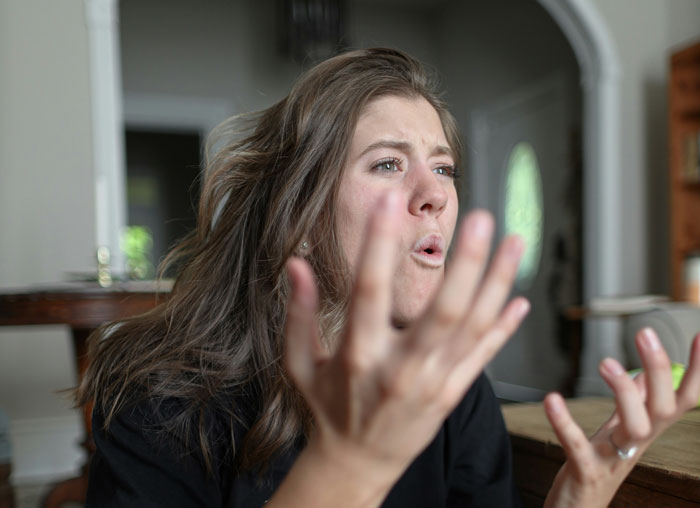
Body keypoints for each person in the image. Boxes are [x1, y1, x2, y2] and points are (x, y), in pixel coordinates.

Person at [77, 48, 700, 508]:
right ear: (298, 213)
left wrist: (581, 492)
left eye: (444, 167)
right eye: (387, 163)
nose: (434, 194)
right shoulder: (161, 400)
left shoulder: (452, 389)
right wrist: (351, 464)